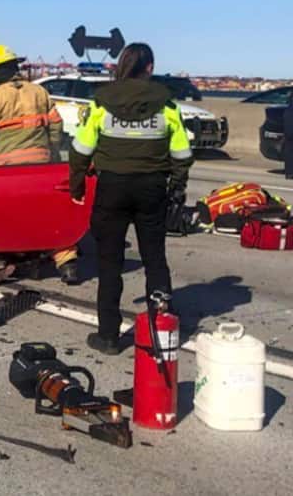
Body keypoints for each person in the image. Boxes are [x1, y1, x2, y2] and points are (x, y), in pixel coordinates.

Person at [68, 43, 193, 354]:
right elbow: (182, 153)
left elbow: (80, 150)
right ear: (149, 67)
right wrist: (177, 187)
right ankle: (159, 333)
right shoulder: (167, 106)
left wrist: (77, 185)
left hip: (112, 188)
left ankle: (108, 336)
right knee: (155, 260)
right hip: (152, 188)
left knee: (110, 264)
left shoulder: (101, 103)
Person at [0, 45, 79, 283]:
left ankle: (9, 259)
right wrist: (51, 151)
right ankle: (67, 263)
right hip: (41, 163)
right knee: (50, 215)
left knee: (6, 217)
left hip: (6, 168)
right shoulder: (38, 92)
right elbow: (55, 126)